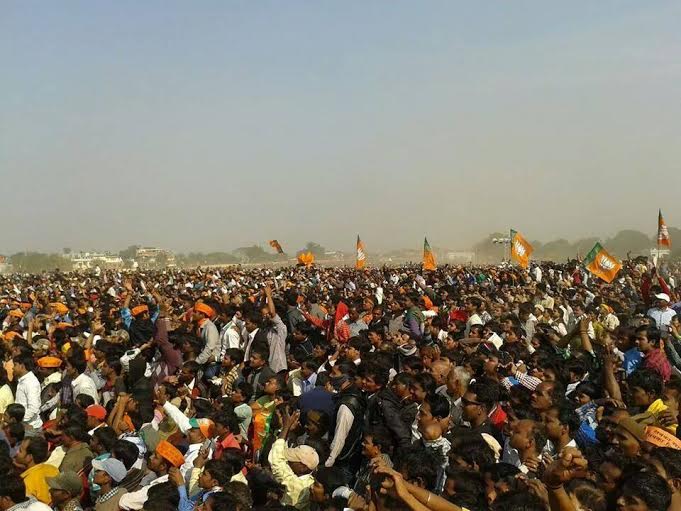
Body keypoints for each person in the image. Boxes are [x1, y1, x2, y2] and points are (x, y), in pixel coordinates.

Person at [15, 436, 59, 505]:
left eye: (20, 450)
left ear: (29, 457)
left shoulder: (25, 483)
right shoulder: (53, 469)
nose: (16, 452)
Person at [12, 355, 42, 429]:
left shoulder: (30, 382)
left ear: (22, 366)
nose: (13, 368)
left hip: (30, 426)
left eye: (15, 365)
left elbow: (34, 408)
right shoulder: (23, 380)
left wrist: (19, 420)